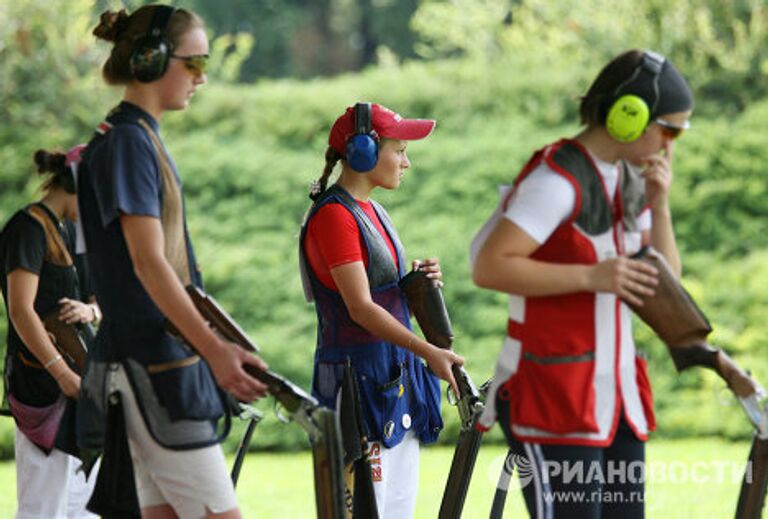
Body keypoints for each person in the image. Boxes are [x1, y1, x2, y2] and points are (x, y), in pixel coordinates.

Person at [471, 49, 693, 518]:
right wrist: (592, 277)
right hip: (552, 395)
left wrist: (660, 204)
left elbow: (667, 284)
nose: (671, 146)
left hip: (613, 398)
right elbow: (490, 265)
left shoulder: (630, 181)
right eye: (669, 130)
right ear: (628, 115)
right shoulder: (557, 179)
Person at [76, 5, 268, 518]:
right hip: (158, 374)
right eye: (196, 63)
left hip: (149, 369)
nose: (201, 79)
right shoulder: (130, 144)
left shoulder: (131, 138)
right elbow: (149, 263)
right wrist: (215, 350)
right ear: (152, 59)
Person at [299, 102, 464, 518]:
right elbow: (360, 308)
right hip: (357, 390)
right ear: (363, 152)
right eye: (400, 150)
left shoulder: (373, 211)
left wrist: (415, 287)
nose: (406, 162)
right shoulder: (335, 216)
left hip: (388, 384)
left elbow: (378, 295)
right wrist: (430, 352)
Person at [0, 146, 101, 519]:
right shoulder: (26, 228)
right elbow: (21, 310)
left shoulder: (73, 230)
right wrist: (63, 375)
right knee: (44, 505)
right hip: (43, 383)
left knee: (84, 503)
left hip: (83, 379)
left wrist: (90, 310)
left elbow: (97, 297)